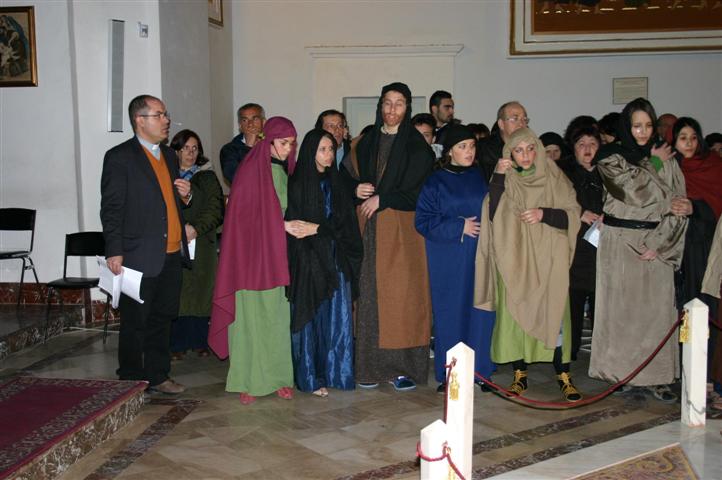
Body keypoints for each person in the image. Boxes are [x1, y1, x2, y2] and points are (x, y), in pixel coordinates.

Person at [589, 98, 688, 403]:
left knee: (656, 314)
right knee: (622, 314)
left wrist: (659, 243)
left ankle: (657, 377)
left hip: (656, 240)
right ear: (626, 127)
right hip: (620, 243)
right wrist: (653, 162)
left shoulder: (666, 157)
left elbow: (678, 204)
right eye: (636, 126)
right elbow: (633, 192)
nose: (642, 132)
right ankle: (622, 375)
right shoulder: (611, 157)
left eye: (647, 125)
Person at [474, 128, 583, 402]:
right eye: (518, 150)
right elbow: (492, 214)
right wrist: (499, 176)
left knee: (555, 316)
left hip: (549, 260)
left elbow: (573, 213)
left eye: (530, 148)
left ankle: (564, 375)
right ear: (509, 153)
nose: (525, 155)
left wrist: (544, 214)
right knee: (516, 319)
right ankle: (519, 373)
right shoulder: (505, 179)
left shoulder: (554, 175)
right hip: (515, 260)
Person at [100, 94, 191, 395]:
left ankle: (158, 375)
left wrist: (186, 196)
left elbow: (169, 200)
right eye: (159, 115)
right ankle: (130, 379)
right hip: (138, 254)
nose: (167, 120)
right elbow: (112, 208)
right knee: (135, 322)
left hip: (171, 252)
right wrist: (114, 250)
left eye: (166, 114)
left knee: (162, 318)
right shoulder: (120, 157)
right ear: (140, 120)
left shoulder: (169, 156)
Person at [351, 82, 435, 391]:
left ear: (407, 108)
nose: (392, 110)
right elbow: (345, 178)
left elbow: (421, 192)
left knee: (401, 299)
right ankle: (369, 367)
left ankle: (402, 369)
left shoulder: (417, 147)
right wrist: (356, 189)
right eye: (387, 103)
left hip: (402, 230)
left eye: (399, 104)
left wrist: (384, 199)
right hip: (368, 230)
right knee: (369, 298)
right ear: (380, 105)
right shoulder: (364, 143)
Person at [209, 117, 297, 405]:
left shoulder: (285, 172)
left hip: (276, 255)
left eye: (292, 143)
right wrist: (281, 225)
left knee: (276, 316)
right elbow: (243, 219)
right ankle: (247, 379)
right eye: (283, 143)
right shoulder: (249, 171)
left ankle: (278, 377)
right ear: (268, 141)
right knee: (250, 318)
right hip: (249, 258)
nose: (288, 149)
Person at [415, 124, 495, 393]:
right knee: (451, 314)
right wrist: (458, 226)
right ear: (449, 151)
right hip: (449, 258)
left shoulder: (479, 176)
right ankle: (452, 375)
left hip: (480, 255)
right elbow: (423, 221)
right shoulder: (435, 181)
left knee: (481, 311)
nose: (469, 151)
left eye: (472, 146)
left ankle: (481, 371)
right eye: (462, 147)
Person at [286, 129, 363, 397]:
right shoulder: (297, 183)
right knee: (311, 319)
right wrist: (312, 235)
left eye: (331, 149)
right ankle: (311, 376)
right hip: (308, 259)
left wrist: (319, 229)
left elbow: (346, 225)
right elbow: (295, 226)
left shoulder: (337, 182)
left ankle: (337, 373)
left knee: (337, 319)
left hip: (335, 258)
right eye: (322, 149)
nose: (328, 155)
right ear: (310, 151)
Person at [168, 130, 224, 361]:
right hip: (174, 240)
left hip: (201, 243)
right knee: (178, 291)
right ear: (176, 150)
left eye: (195, 148)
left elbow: (216, 208)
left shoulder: (206, 177)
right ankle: (177, 343)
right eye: (185, 148)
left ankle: (201, 341)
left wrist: (196, 228)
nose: (190, 153)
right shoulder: (167, 174)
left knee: (201, 291)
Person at [564, 124, 604, 361]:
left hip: (604, 252)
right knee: (573, 306)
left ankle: (602, 358)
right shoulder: (564, 176)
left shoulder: (610, 174)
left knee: (602, 307)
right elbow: (554, 203)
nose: (587, 149)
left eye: (592, 144)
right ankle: (568, 356)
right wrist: (578, 213)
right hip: (575, 251)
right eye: (581, 144)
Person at [477, 101, 529, 181]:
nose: (521, 124)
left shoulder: (531, 147)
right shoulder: (483, 148)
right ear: (501, 124)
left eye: (524, 119)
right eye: (515, 119)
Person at [219, 103, 265, 184]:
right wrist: (249, 147)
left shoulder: (273, 145)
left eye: (255, 119)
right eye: (245, 120)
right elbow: (234, 178)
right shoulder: (229, 150)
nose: (250, 124)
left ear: (263, 122)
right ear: (240, 126)